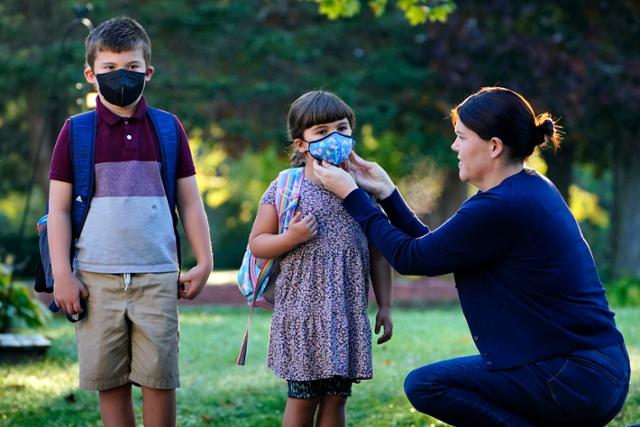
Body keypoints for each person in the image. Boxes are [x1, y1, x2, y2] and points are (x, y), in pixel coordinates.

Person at [313, 86, 630, 426]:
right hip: (589, 371)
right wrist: (387, 193)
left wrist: (352, 196)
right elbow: (433, 250)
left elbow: (411, 259)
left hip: (574, 376)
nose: (454, 147)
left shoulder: (502, 206)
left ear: (494, 146)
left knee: (428, 385)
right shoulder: (524, 189)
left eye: (461, 138)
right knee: (432, 382)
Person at [48, 17, 213, 427]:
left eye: (132, 67)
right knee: (112, 384)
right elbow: (60, 210)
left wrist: (204, 261)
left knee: (159, 380)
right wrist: (62, 275)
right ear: (91, 74)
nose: (121, 76)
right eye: (109, 68)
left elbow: (190, 203)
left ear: (148, 72)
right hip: (95, 279)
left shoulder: (168, 129)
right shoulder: (76, 132)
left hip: (157, 277)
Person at [249, 90, 393, 427]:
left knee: (336, 401)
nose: (335, 138)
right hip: (301, 318)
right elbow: (257, 243)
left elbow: (378, 255)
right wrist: (290, 238)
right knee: (302, 401)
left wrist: (385, 305)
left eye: (342, 129)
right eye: (322, 132)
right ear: (301, 144)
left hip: (345, 318)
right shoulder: (287, 188)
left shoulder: (363, 193)